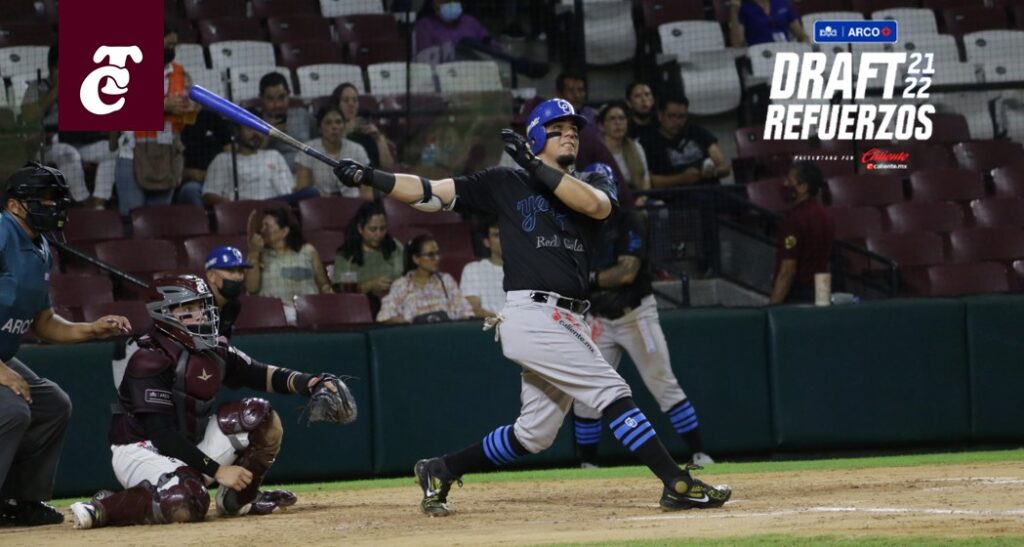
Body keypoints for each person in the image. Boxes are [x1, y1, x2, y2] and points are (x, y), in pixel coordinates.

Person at [332, 97, 730, 516]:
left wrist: (535, 165)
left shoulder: (596, 177)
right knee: (612, 391)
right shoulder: (505, 181)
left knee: (534, 435)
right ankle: (676, 482)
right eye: (558, 128)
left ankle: (441, 468)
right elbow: (431, 193)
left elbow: (596, 206)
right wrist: (371, 176)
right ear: (537, 136)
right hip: (532, 315)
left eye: (574, 129)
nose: (570, 134)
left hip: (572, 318)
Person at [68, 275, 354, 529]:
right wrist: (218, 471)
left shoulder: (214, 347)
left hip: (190, 446)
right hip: (142, 450)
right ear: (165, 314)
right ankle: (106, 507)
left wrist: (313, 383)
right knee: (187, 501)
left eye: (202, 306)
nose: (202, 315)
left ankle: (239, 498)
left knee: (259, 415)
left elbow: (261, 374)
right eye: (190, 309)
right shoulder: (148, 356)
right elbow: (162, 434)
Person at [0, 163, 131, 527]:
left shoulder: (41, 245)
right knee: (12, 409)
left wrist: (91, 330)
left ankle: (19, 501)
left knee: (52, 404)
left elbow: (43, 322)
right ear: (14, 205)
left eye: (57, 199)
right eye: (44, 199)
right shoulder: (1, 232)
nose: (54, 206)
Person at [573, 201, 714, 468]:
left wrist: (588, 279)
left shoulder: (629, 220)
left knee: (662, 382)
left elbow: (626, 273)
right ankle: (587, 464)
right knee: (587, 392)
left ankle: (699, 453)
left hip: (636, 317)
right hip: (599, 320)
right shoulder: (580, 224)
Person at [114, 23, 198, 222]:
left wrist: (190, 107)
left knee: (159, 220)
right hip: (132, 153)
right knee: (132, 219)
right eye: (167, 45)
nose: (171, 50)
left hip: (167, 153)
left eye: (174, 46)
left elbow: (192, 107)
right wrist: (163, 105)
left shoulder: (180, 73)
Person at [21, 42, 118, 209]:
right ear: (53, 67)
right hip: (50, 146)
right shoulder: (36, 86)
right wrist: (57, 90)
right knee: (69, 153)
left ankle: (98, 203)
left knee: (110, 151)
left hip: (82, 144)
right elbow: (29, 116)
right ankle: (83, 202)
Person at [201, 110, 318, 207]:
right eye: (250, 128)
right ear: (236, 131)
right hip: (244, 208)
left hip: (276, 207)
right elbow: (208, 195)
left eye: (259, 128)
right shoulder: (223, 159)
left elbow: (289, 192)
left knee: (311, 193)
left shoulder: (274, 155)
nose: (256, 133)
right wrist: (235, 206)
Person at [246, 208, 332, 324]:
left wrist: (328, 292)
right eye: (262, 226)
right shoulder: (259, 255)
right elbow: (251, 288)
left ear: (284, 231)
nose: (262, 230)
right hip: (274, 318)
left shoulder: (308, 251)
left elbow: (323, 284)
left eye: (267, 226)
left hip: (308, 314)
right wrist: (254, 253)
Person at [770, 161, 834, 305]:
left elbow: (788, 270)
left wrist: (772, 308)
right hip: (820, 293)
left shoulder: (795, 220)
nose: (785, 184)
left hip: (797, 297)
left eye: (789, 181)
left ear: (803, 187)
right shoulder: (826, 216)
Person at [376, 234, 473, 324]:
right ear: (416, 259)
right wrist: (408, 323)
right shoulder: (401, 285)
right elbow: (385, 316)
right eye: (431, 255)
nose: (437, 258)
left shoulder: (446, 280)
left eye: (438, 253)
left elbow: (466, 311)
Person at [639, 94, 731, 188]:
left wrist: (714, 172)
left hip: (711, 189)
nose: (677, 121)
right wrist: (681, 179)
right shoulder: (648, 141)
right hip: (677, 195)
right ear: (660, 115)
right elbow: (648, 181)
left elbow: (725, 167)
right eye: (672, 116)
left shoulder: (697, 131)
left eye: (682, 116)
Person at [332, 201, 403, 314]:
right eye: (373, 229)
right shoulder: (346, 254)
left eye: (382, 229)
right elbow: (342, 294)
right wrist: (369, 286)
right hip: (358, 309)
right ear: (360, 228)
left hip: (394, 304)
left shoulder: (395, 248)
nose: (378, 234)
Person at [295, 106, 373, 199]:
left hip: (354, 205)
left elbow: (367, 192)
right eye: (328, 123)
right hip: (320, 206)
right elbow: (304, 193)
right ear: (320, 128)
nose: (334, 127)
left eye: (338, 122)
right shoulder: (308, 151)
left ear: (344, 126)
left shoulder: (357, 150)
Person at [175, 108, 234, 207]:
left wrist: (216, 176)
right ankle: (203, 222)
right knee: (191, 190)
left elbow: (229, 151)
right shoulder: (171, 120)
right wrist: (187, 174)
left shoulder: (210, 116)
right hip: (188, 181)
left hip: (218, 179)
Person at [330, 83, 396, 170]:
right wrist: (346, 131)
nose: (351, 104)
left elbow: (388, 166)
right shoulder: (331, 130)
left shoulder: (367, 129)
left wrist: (379, 138)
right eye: (346, 100)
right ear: (337, 104)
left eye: (355, 100)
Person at [257, 72, 313, 171]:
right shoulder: (255, 123)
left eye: (281, 97)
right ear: (261, 99)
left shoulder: (303, 115)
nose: (277, 104)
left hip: (308, 173)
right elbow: (251, 158)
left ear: (289, 94)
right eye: (270, 99)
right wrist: (269, 134)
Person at [414, 0, 491, 64]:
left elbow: (491, 46)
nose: (450, 4)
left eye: (454, 1)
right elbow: (424, 60)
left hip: (476, 72)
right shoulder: (424, 26)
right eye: (444, 1)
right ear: (433, 5)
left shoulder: (471, 22)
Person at [598, 101, 650, 192]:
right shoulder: (596, 151)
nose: (618, 123)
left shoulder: (636, 147)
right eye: (612, 119)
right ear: (602, 126)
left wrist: (642, 199)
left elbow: (646, 181)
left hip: (637, 197)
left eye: (622, 118)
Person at [204, 246, 251, 339]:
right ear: (211, 276)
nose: (238, 277)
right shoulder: (197, 304)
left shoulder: (234, 306)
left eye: (240, 271)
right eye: (231, 270)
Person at [459, 220, 505, 317]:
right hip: (489, 328)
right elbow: (472, 309)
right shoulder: (472, 270)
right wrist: (503, 322)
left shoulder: (525, 269)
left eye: (506, 234)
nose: (503, 238)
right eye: (497, 235)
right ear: (487, 242)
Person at [727, 0, 808, 48]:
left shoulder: (782, 3)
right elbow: (737, 43)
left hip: (785, 51)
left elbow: (801, 36)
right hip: (761, 56)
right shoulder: (743, 8)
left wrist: (802, 49)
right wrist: (734, 11)